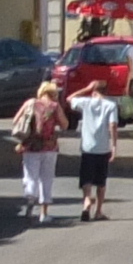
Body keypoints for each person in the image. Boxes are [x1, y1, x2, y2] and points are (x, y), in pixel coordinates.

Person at [19, 78, 67, 215]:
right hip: (49, 147)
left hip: (30, 146)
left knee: (31, 176)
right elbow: (65, 125)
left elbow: (17, 121)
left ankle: (30, 199)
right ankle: (43, 213)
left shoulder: (30, 104)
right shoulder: (54, 106)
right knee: (46, 179)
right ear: (53, 94)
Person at [72, 78, 118, 222]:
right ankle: (98, 211)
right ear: (106, 91)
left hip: (87, 147)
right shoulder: (111, 105)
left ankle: (86, 201)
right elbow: (113, 125)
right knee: (101, 181)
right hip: (102, 147)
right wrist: (114, 145)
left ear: (94, 91)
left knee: (87, 179)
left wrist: (86, 88)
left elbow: (70, 98)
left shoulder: (86, 102)